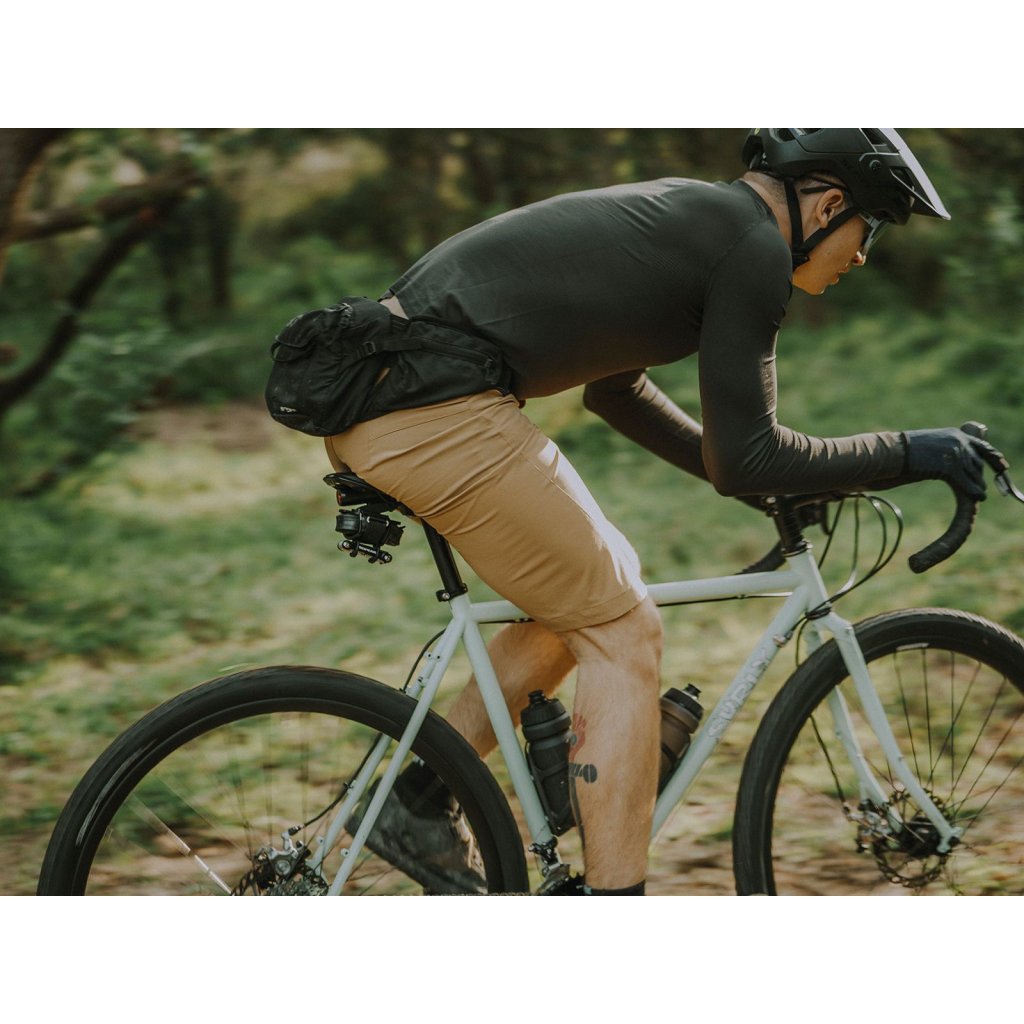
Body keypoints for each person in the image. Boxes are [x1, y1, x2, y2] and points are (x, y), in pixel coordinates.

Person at [326, 129, 990, 895]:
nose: (864, 255)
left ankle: (417, 799)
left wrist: (770, 484)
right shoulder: (751, 246)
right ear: (828, 204)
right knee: (623, 630)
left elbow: (617, 393)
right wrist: (912, 451)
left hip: (388, 398)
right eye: (869, 229)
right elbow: (747, 455)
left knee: (580, 603)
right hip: (428, 409)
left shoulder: (701, 220)